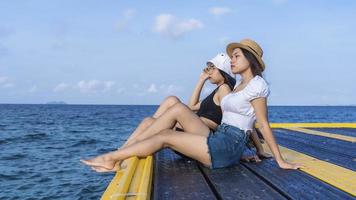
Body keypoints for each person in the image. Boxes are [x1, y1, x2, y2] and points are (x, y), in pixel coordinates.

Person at [81, 39, 301, 171]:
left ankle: (111, 159)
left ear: (250, 60)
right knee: (175, 108)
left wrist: (279, 160)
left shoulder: (257, 85)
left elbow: (261, 123)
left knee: (165, 136)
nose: (232, 60)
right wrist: (248, 151)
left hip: (227, 145)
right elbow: (244, 121)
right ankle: (120, 152)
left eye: (236, 56)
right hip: (222, 138)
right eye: (232, 57)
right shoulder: (238, 87)